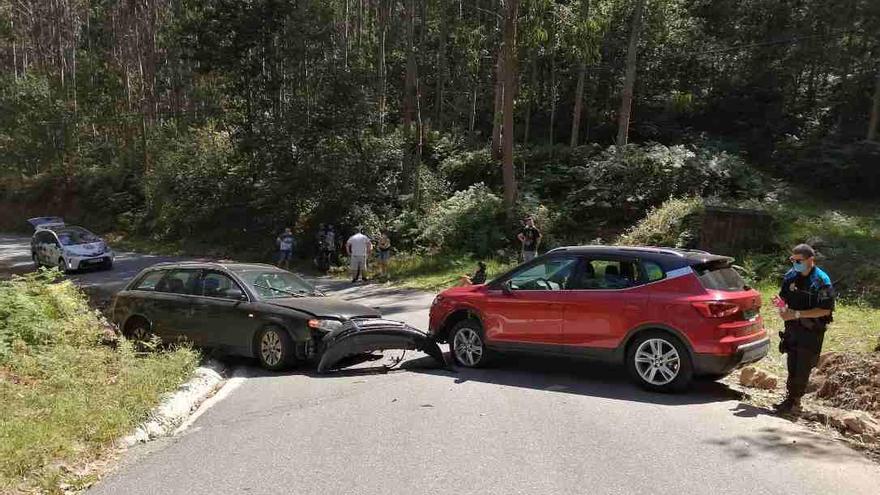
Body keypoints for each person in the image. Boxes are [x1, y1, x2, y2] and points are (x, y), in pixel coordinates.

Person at [773, 243, 835, 415]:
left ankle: (795, 402)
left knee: (803, 366)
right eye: (793, 259)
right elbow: (783, 298)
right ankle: (790, 399)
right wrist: (780, 306)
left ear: (810, 260)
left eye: (799, 260)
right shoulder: (791, 276)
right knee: (792, 364)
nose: (795, 263)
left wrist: (797, 314)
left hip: (811, 331)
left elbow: (825, 309)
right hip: (792, 329)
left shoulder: (821, 281)